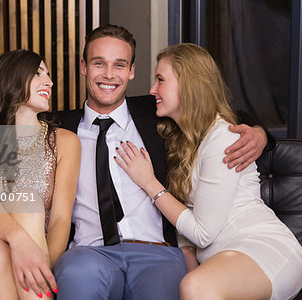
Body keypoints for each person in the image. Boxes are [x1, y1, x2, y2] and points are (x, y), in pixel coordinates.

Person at [54, 24, 269, 299]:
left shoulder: (156, 111)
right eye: (99, 63)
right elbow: (5, 124)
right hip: (88, 253)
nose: (109, 74)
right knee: (76, 277)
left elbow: (216, 110)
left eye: (119, 65)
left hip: (158, 254)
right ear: (84, 67)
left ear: (131, 71)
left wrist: (260, 133)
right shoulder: (57, 127)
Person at [114, 43, 302, 300]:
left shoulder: (223, 137)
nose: (151, 90)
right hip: (218, 260)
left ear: (189, 85)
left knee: (196, 287)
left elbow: (202, 232)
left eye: (160, 80)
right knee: (193, 286)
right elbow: (187, 234)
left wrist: (149, 182)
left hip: (259, 248)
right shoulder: (178, 138)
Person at [0, 49, 80, 300]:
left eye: (49, 74)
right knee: (24, 204)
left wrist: (45, 266)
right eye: (38, 73)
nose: (49, 81)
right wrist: (20, 241)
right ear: (12, 79)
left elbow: (61, 219)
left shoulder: (66, 142)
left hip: (33, 256)